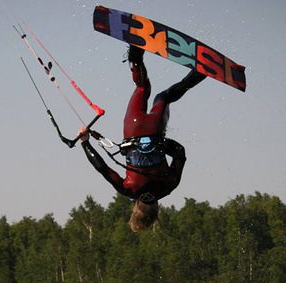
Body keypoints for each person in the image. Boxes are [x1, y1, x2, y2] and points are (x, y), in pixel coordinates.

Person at [77, 45, 206, 231]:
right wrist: (85, 142)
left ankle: (201, 72)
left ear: (156, 211)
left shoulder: (169, 186)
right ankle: (136, 55)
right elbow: (102, 168)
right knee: (143, 87)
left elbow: (179, 153)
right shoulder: (128, 190)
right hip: (133, 128)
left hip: (154, 129)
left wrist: (161, 144)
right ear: (135, 208)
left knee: (164, 97)